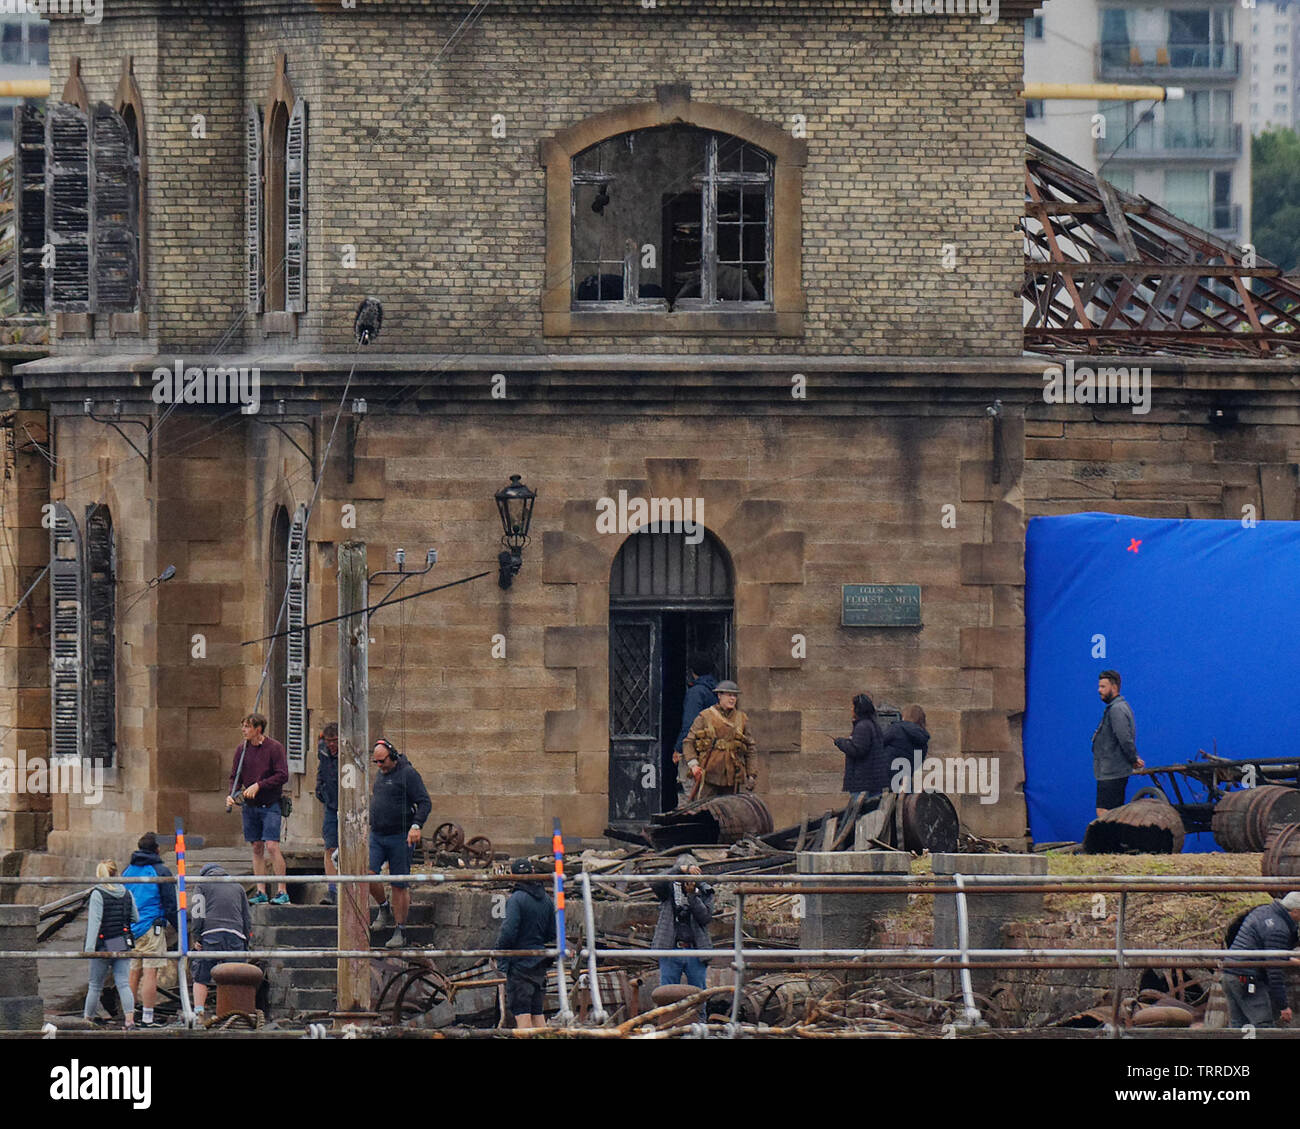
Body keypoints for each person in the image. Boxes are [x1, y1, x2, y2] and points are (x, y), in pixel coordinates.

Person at [368, 738, 431, 949]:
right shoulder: (381, 773)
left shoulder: (408, 774)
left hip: (399, 836)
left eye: (382, 761)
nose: (379, 766)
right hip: (377, 835)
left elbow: (424, 801)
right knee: (366, 873)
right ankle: (383, 907)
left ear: (393, 756)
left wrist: (416, 826)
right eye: (375, 762)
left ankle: (400, 929)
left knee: (398, 884)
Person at [225, 711, 290, 904]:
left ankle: (282, 890)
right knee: (256, 846)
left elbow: (282, 775)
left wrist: (259, 785)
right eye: (243, 726)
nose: (244, 730)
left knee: (272, 845)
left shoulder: (274, 748)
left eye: (247, 727)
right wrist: (233, 794)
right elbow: (235, 776)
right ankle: (261, 891)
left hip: (270, 803)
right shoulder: (241, 750)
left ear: (258, 729)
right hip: (250, 806)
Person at [123, 832, 177, 1028]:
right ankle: (147, 1017)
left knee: (132, 972)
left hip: (130, 929)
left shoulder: (127, 871)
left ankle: (128, 1017)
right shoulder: (160, 871)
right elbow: (171, 904)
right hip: (151, 928)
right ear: (157, 849)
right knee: (150, 973)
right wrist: (180, 927)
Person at [1223, 892, 1300, 1028]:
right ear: (1296, 911)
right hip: (1247, 978)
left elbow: (1264, 947)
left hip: (1230, 973)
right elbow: (1274, 970)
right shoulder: (1279, 929)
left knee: (1239, 1025)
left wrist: (1291, 959)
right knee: (1263, 1024)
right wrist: (1283, 1006)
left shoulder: (1263, 911)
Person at [496, 858, 556, 1030]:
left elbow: (508, 932)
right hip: (539, 964)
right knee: (538, 1013)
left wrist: (500, 955)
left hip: (520, 965)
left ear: (514, 876)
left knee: (522, 1014)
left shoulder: (517, 899)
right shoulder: (546, 899)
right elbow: (552, 933)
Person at [191, 864, 253, 1019]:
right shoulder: (237, 886)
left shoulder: (202, 885)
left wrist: (197, 937)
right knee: (235, 977)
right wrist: (246, 939)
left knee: (200, 976)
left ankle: (199, 1014)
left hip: (211, 934)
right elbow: (247, 916)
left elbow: (197, 913)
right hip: (236, 935)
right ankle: (235, 1014)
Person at [83, 859, 138, 1030]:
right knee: (123, 982)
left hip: (102, 942)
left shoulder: (98, 894)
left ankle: (87, 1020)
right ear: (116, 873)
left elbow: (94, 922)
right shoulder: (127, 893)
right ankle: (129, 1021)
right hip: (119, 941)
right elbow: (135, 917)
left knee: (95, 985)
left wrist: (89, 949)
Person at [652, 858, 715, 1005]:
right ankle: (668, 1022)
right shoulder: (667, 889)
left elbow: (705, 917)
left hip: (695, 950)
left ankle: (700, 1024)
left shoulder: (705, 890)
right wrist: (680, 870)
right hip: (670, 948)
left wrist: (692, 895)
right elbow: (655, 883)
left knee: (699, 996)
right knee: (666, 994)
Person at [683, 680, 757, 800]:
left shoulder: (742, 719)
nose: (732, 699)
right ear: (719, 696)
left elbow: (751, 748)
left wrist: (751, 774)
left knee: (729, 813)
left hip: (732, 776)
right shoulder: (705, 716)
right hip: (708, 773)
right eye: (729, 695)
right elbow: (688, 742)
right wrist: (693, 765)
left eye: (735, 696)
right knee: (703, 810)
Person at [1092, 670, 1144, 817]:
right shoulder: (1116, 708)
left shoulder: (1117, 709)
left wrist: (1133, 759)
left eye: (1103, 687)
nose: (1099, 690)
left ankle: (1110, 840)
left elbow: (1125, 738)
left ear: (1114, 687)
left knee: (1104, 812)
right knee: (1114, 812)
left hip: (1112, 771)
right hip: (1110, 770)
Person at [672, 656, 719, 804]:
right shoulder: (718, 691)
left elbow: (689, 724)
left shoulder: (696, 692)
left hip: (694, 750)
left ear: (693, 672)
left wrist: (679, 749)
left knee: (688, 792)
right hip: (714, 751)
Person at [833, 693, 888, 798]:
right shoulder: (872, 725)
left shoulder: (863, 726)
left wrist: (841, 743)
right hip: (872, 782)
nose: (851, 710)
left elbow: (858, 750)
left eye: (853, 707)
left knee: (859, 811)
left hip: (862, 783)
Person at [315, 722, 340, 905]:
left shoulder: (349, 754)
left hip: (350, 807)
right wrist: (320, 788)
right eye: (329, 741)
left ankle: (349, 887)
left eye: (335, 741)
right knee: (330, 847)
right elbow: (321, 772)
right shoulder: (323, 752)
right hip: (330, 805)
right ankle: (332, 890)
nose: (332, 745)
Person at [883, 704, 932, 785]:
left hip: (886, 775)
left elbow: (879, 744)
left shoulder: (896, 728)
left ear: (905, 716)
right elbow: (917, 764)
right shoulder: (924, 739)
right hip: (904, 780)